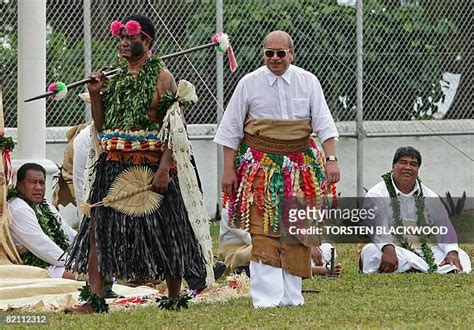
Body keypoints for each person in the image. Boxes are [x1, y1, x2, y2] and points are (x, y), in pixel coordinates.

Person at [64, 14, 212, 313]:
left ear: (146, 41)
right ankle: (94, 300)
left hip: (152, 165)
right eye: (120, 38)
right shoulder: (114, 78)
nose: (123, 43)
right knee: (98, 229)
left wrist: (163, 169)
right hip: (114, 164)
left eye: (130, 38)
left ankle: (173, 296)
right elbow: (102, 125)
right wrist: (95, 95)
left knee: (169, 230)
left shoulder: (163, 77)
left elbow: (174, 128)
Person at [214, 30, 340, 308]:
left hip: (300, 168)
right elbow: (231, 130)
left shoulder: (308, 81)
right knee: (263, 230)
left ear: (291, 54)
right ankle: (267, 299)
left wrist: (331, 160)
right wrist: (228, 170)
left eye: (280, 53)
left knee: (297, 230)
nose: (274, 58)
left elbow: (324, 124)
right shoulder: (249, 83)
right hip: (259, 168)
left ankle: (292, 297)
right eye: (269, 53)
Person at [360, 146, 471, 274]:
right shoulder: (377, 193)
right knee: (371, 252)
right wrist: (388, 248)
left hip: (424, 249)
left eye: (413, 164)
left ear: (418, 169)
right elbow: (375, 226)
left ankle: (415, 268)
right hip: (394, 248)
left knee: (461, 255)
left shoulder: (429, 195)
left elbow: (444, 226)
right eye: (403, 162)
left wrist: (451, 252)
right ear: (393, 166)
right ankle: (425, 268)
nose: (408, 167)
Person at [8, 163, 77, 279]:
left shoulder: (45, 206)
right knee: (84, 274)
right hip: (35, 266)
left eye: (42, 183)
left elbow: (68, 233)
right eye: (33, 182)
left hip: (56, 261)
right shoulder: (18, 207)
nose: (38, 187)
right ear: (19, 185)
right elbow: (42, 244)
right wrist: (74, 263)